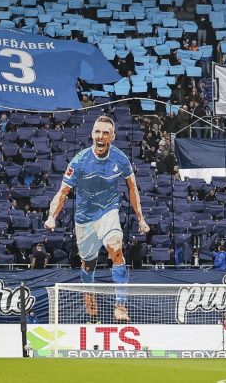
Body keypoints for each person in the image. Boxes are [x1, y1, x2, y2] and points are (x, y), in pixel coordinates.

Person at [45, 115, 149, 322]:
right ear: (92, 134)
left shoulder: (120, 159)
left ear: (112, 137)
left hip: (108, 211)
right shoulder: (80, 161)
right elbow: (63, 192)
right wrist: (52, 216)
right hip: (84, 218)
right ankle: (89, 296)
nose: (101, 136)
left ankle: (120, 305)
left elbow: (132, 188)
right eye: (97, 132)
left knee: (116, 248)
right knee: (88, 263)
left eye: (105, 133)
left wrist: (141, 218)